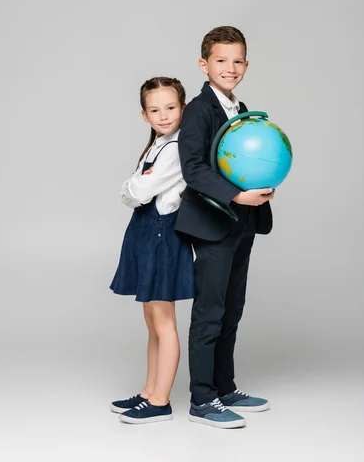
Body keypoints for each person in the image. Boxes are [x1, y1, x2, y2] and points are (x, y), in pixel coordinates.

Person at [175, 26, 275, 429]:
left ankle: (224, 386)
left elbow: (242, 160)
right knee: (210, 312)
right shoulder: (199, 109)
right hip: (215, 223)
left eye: (237, 61)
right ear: (204, 64)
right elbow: (193, 168)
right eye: (221, 60)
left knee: (232, 309)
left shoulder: (240, 105)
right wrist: (236, 196)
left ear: (246, 65)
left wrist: (257, 188)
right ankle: (202, 398)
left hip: (244, 221)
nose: (230, 68)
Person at [110, 76, 195, 425]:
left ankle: (161, 401)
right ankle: (149, 390)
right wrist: (133, 187)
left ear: (183, 108)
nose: (163, 115)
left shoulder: (176, 148)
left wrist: (130, 188)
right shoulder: (157, 144)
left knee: (164, 321)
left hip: (162, 234)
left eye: (171, 108)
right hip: (145, 233)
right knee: (152, 321)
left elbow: (138, 191)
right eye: (155, 109)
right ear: (144, 115)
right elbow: (137, 188)